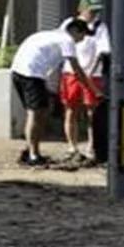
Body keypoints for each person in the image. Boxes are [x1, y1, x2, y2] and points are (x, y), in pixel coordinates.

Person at [10, 19, 100, 166]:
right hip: (31, 73)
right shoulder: (67, 40)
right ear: (75, 31)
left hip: (18, 71)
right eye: (83, 35)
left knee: (41, 111)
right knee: (36, 113)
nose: (82, 39)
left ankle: (31, 150)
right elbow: (77, 70)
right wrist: (95, 91)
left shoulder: (49, 35)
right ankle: (33, 156)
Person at [59, 0, 111, 162]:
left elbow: (103, 52)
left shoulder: (100, 27)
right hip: (71, 72)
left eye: (96, 11)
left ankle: (91, 146)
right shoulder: (69, 24)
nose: (94, 14)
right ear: (82, 9)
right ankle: (72, 146)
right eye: (91, 10)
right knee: (71, 109)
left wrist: (90, 72)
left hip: (92, 74)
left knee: (92, 113)